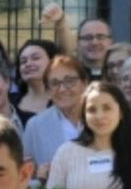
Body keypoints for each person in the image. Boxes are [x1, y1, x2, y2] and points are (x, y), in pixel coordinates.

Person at [47, 81, 131, 189]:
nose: (99, 116)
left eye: (107, 108)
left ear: (121, 112)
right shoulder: (66, 152)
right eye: (92, 110)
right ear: (84, 115)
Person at [22, 54, 90, 182]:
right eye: (55, 83)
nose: (62, 89)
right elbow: (25, 176)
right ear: (47, 91)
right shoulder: (35, 126)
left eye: (70, 81)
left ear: (85, 84)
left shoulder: (99, 118)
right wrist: (41, 176)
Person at [14, 38, 57, 117]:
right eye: (23, 61)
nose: (28, 64)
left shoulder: (63, 101)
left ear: (52, 62)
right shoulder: (10, 103)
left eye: (35, 58)